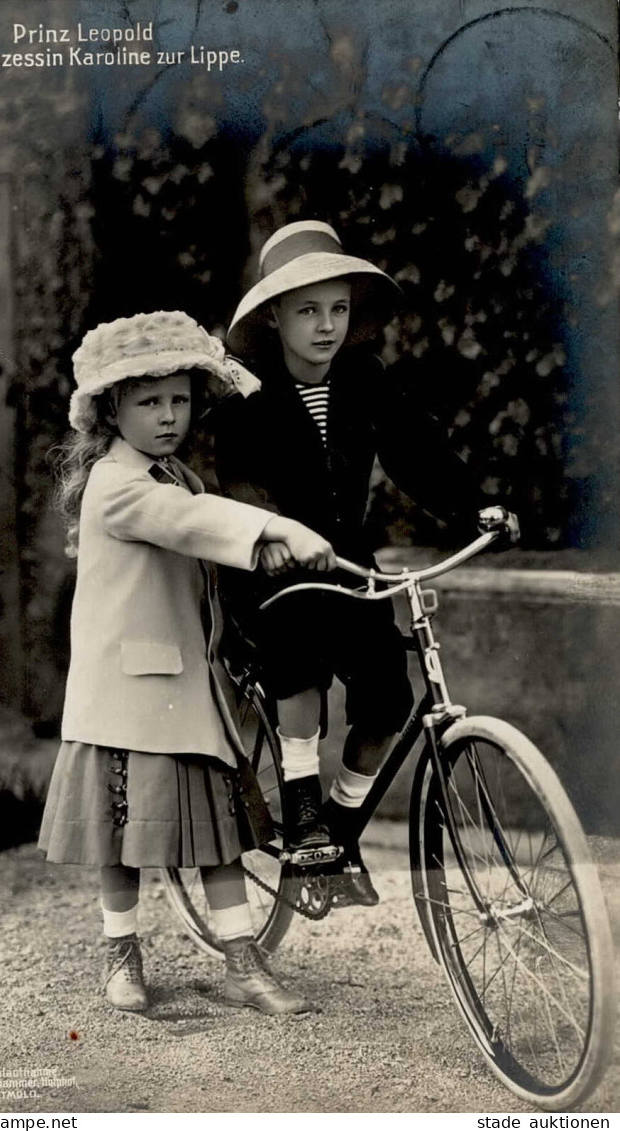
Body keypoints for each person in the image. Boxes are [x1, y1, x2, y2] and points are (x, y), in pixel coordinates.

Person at [38, 309, 337, 1015]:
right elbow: (189, 525)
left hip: (186, 684)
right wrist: (273, 527)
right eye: (149, 401)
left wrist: (263, 549)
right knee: (122, 837)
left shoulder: (179, 474)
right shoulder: (117, 484)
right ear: (113, 410)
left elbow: (204, 538)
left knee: (217, 830)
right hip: (128, 692)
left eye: (178, 398)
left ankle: (240, 960)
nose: (169, 414)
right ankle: (122, 957)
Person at [213, 220, 519, 908]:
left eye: (338, 309)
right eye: (308, 310)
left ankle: (342, 829)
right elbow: (239, 482)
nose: (325, 326)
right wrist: (274, 532)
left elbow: (418, 450)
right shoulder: (247, 394)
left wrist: (476, 506)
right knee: (297, 660)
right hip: (269, 564)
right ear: (275, 315)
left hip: (347, 563)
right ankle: (305, 821)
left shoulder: (363, 378)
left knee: (389, 690)